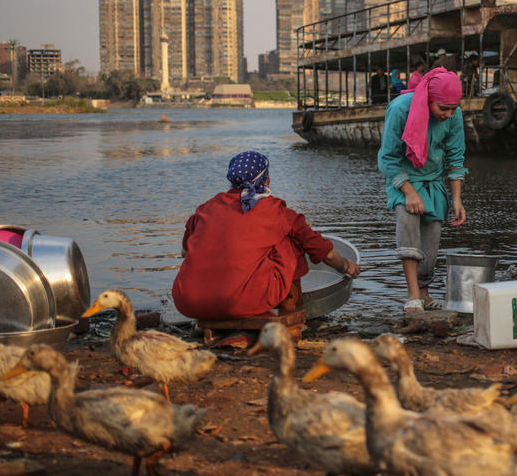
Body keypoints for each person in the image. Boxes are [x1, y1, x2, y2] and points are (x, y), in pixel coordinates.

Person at [172, 151, 360, 321]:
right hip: (240, 303)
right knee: (291, 243)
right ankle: (290, 308)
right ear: (266, 179)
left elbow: (185, 253)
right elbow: (324, 252)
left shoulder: (205, 209)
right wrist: (346, 266)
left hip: (188, 302)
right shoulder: (278, 212)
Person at [377, 67, 467, 318]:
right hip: (403, 179)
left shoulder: (453, 114)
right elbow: (388, 158)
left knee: (432, 239)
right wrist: (408, 192)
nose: (448, 114)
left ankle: (425, 293)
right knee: (408, 229)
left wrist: (457, 199)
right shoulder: (400, 109)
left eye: (453, 109)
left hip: (433, 180)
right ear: (428, 98)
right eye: (443, 109)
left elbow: (455, 156)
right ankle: (413, 294)